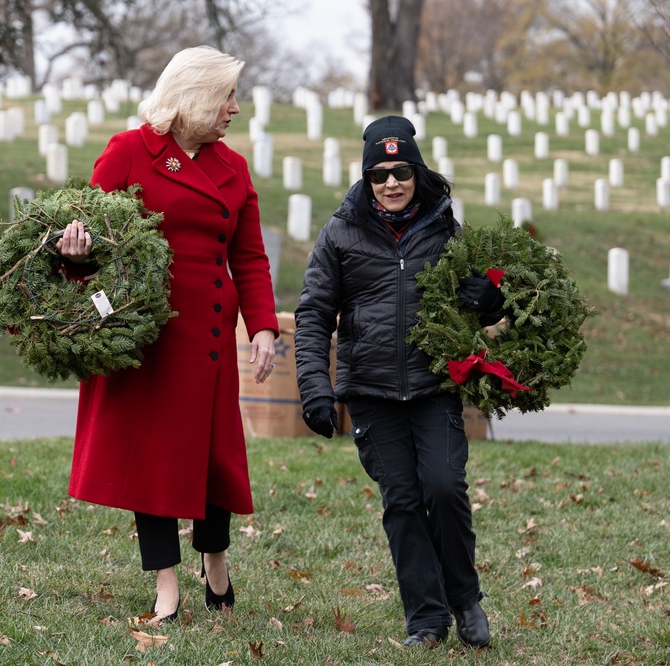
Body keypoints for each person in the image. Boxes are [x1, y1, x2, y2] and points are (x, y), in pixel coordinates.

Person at [57, 45, 279, 623]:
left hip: (207, 337)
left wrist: (261, 328)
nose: (235, 107)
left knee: (212, 459)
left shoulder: (233, 167)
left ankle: (217, 565)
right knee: (151, 462)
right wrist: (75, 255)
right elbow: (91, 239)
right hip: (151, 339)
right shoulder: (130, 152)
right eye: (226, 95)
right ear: (195, 95)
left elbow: (250, 256)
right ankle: (165, 586)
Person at [293, 116, 500, 649]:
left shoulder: (446, 228)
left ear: (416, 171)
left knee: (444, 487)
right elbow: (314, 314)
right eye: (379, 173)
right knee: (403, 502)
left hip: (435, 388)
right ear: (366, 178)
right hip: (371, 392)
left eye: (401, 171)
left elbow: (483, 302)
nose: (391, 183)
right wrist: (316, 388)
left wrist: (488, 300)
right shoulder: (340, 232)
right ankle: (427, 621)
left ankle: (465, 598)